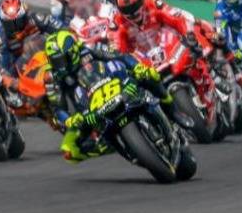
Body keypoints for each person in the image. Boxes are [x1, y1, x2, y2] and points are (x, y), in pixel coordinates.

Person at [42, 30, 184, 162]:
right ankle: (107, 145)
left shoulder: (89, 48)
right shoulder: (53, 77)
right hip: (90, 108)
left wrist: (137, 68)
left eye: (61, 60)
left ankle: (173, 111)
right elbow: (57, 107)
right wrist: (68, 120)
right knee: (69, 149)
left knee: (150, 75)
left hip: (115, 83)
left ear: (72, 51)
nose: (59, 66)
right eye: (55, 62)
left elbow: (120, 55)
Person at [112, 0, 210, 56]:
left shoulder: (151, 3)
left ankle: (209, 32)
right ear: (119, 10)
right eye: (126, 9)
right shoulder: (118, 22)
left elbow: (176, 19)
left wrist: (188, 35)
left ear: (141, 0)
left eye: (134, 6)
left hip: (170, 48)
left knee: (189, 18)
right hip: (146, 62)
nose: (132, 12)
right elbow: (119, 48)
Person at [0, 0, 60, 72]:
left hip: (49, 56)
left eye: (18, 22)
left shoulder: (36, 18)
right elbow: (5, 64)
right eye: (9, 24)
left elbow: (60, 29)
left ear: (24, 17)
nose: (15, 27)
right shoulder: (3, 35)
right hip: (28, 68)